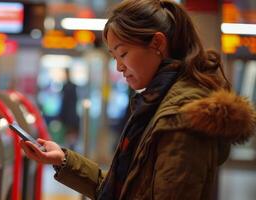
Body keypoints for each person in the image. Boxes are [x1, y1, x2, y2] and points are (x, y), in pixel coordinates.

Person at [21, 0, 256, 199]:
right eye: (114, 56)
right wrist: (64, 160)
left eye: (123, 53)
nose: (119, 66)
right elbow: (126, 190)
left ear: (157, 44)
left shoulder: (181, 115)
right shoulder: (155, 104)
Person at [58, 68, 80, 150]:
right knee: (71, 132)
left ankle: (70, 149)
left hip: (68, 114)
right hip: (72, 113)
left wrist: (61, 115)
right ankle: (71, 148)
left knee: (69, 132)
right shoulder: (73, 86)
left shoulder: (67, 86)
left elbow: (64, 103)